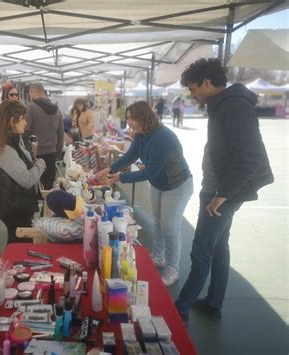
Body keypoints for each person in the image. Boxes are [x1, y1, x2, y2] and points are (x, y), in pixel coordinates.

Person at [174, 58, 273, 325]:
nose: (193, 95)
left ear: (207, 83)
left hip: (223, 192)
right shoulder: (224, 105)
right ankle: (214, 302)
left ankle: (179, 310)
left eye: (194, 89)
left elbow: (249, 157)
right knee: (218, 247)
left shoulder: (234, 107)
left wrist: (222, 194)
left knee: (202, 249)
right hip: (220, 189)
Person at [96, 101, 193, 287]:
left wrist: (120, 177)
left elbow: (150, 172)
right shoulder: (141, 135)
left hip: (177, 185)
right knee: (158, 221)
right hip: (159, 184)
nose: (129, 123)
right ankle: (158, 256)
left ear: (143, 118)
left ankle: (172, 268)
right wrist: (109, 168)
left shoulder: (162, 137)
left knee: (170, 227)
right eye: (128, 119)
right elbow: (130, 156)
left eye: (132, 119)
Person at [0, 100, 46, 244]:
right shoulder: (3, 147)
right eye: (22, 119)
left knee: (17, 244)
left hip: (13, 204)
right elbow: (26, 179)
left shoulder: (8, 140)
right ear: (11, 121)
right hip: (13, 207)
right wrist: (41, 164)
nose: (26, 123)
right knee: (19, 246)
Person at [26, 83, 64, 190]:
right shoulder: (57, 111)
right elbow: (61, 135)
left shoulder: (31, 107)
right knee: (48, 190)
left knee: (34, 190)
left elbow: (25, 132)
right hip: (51, 155)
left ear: (32, 93)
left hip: (34, 156)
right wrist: (58, 155)